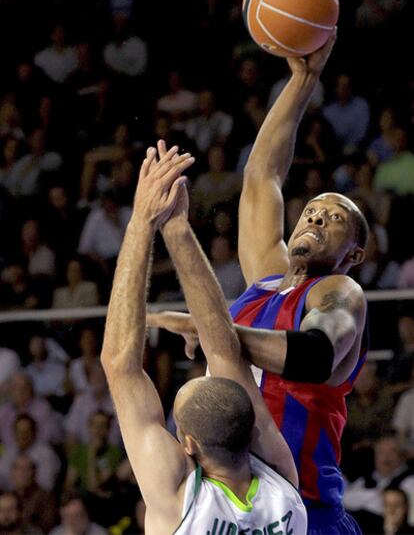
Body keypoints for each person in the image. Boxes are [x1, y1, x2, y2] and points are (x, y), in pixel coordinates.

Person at [149, 33, 369, 534]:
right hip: (234, 501)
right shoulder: (266, 279)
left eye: (333, 218)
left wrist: (212, 330)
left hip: (306, 503)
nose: (314, 217)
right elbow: (262, 175)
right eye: (310, 210)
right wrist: (302, 79)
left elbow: (314, 355)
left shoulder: (339, 293)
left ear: (354, 254)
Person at [101, 146, 307, 534]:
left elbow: (120, 364)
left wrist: (143, 224)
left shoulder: (180, 502)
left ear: (188, 446)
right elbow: (224, 351)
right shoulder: (283, 486)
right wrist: (177, 231)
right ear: (250, 430)